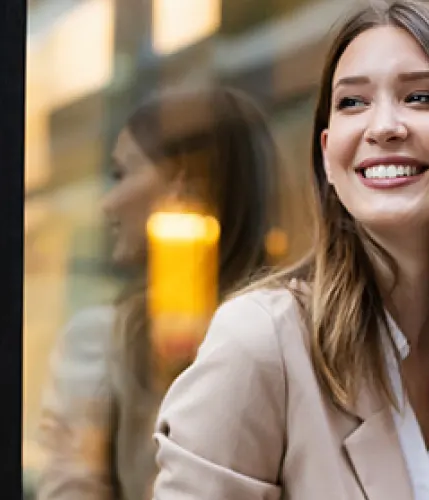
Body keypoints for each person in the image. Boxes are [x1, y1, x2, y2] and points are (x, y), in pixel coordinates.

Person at [151, 1, 429, 499]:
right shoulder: (261, 344)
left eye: (422, 97)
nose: (382, 126)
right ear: (327, 151)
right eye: (352, 102)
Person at [35, 85, 276, 500]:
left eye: (122, 174)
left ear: (178, 182)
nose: (108, 205)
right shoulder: (300, 331)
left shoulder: (102, 342)